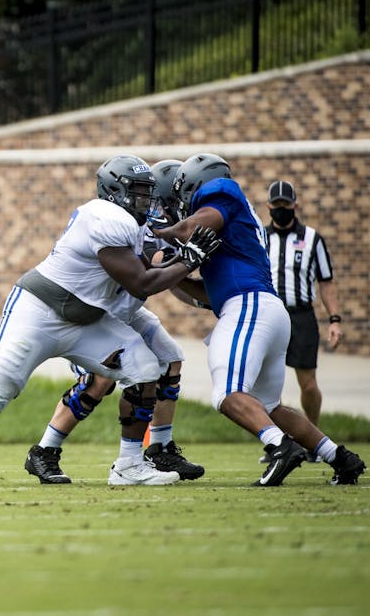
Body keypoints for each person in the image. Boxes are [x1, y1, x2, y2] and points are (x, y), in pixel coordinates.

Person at [0, 154, 220, 488]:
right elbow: (141, 283)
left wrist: (188, 263)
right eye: (139, 191)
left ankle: (129, 465)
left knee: (145, 367)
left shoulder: (134, 224)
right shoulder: (105, 216)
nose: (146, 200)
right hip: (40, 312)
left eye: (148, 192)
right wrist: (190, 259)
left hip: (88, 319)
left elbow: (150, 275)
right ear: (114, 191)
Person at [153, 153, 364, 486]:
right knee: (268, 406)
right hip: (261, 308)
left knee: (227, 393)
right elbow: (207, 293)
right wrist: (165, 271)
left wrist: (160, 233)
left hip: (249, 306)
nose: (179, 206)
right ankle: (339, 457)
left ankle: (280, 447)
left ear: (195, 185)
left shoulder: (220, 192)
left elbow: (193, 225)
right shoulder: (230, 224)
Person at [24, 160, 205, 484]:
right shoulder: (141, 224)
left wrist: (205, 298)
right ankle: (44, 451)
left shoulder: (160, 223)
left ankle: (160, 448)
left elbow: (171, 281)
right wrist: (188, 258)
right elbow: (154, 269)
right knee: (100, 381)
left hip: (129, 308)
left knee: (170, 358)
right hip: (103, 311)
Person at [264, 179, 342, 462]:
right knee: (270, 386)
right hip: (271, 314)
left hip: (301, 315)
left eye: (286, 205)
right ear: (269, 206)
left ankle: (314, 438)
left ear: (295, 206)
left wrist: (334, 319)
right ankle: (280, 443)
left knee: (308, 384)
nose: (282, 209)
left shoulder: (312, 239)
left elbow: (327, 282)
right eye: (277, 205)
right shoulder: (260, 238)